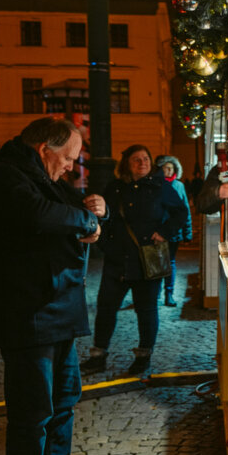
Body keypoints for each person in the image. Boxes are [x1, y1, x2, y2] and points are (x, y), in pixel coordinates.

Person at [0, 117, 108, 455]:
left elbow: (70, 207)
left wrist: (94, 208)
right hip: (27, 312)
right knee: (32, 410)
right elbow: (39, 214)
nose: (71, 167)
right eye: (68, 158)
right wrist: (87, 223)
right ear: (43, 150)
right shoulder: (4, 177)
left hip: (55, 308)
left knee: (64, 398)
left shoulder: (41, 177)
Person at [86, 144, 188, 375]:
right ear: (126, 164)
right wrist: (105, 245)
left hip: (146, 259)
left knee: (146, 309)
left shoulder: (160, 186)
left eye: (146, 159)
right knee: (106, 307)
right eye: (136, 160)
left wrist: (164, 232)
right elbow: (104, 217)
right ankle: (98, 355)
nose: (142, 163)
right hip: (117, 259)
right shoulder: (115, 188)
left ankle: (144, 356)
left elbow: (180, 212)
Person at [155, 155, 193, 307]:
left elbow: (186, 210)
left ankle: (168, 293)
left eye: (171, 168)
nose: (169, 170)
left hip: (174, 233)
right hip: (157, 231)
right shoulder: (156, 185)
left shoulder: (179, 186)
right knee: (156, 262)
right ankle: (156, 292)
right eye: (166, 167)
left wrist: (187, 232)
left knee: (170, 262)